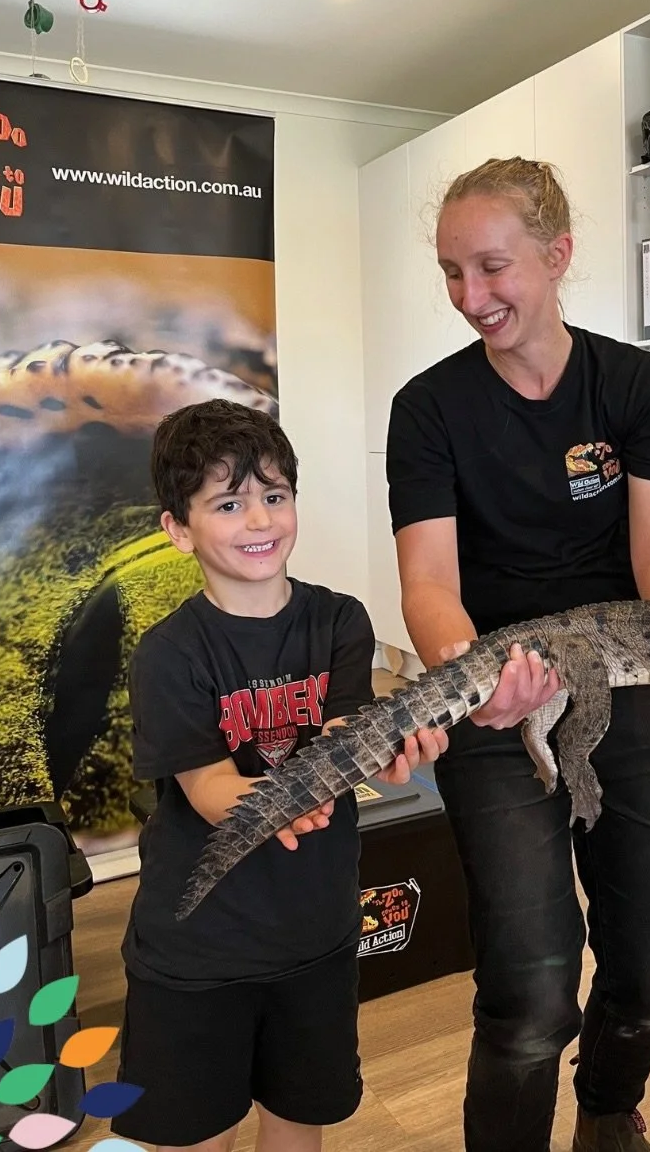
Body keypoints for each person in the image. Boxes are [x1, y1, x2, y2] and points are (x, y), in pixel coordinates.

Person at [384, 157, 650, 1152]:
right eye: (451, 272)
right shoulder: (430, 409)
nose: (469, 297)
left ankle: (609, 1112)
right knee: (529, 988)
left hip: (625, 683)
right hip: (502, 690)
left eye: (491, 267)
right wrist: (476, 679)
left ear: (558, 255)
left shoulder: (634, 384)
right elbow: (431, 581)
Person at [111, 398, 446, 1152]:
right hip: (198, 953)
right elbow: (208, 789)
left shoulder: (339, 622)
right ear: (177, 527)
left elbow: (349, 744)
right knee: (198, 1132)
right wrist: (294, 802)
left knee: (299, 1119)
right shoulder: (169, 654)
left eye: (274, 496)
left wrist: (393, 758)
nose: (260, 521)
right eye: (228, 503)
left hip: (317, 937)